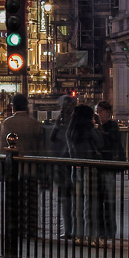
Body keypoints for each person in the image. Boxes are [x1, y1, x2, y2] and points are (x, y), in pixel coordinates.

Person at [0, 93, 43, 237]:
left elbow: (1, 149)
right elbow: (40, 148)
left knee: (14, 199)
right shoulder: (35, 124)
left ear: (13, 106)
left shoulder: (7, 123)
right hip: (31, 166)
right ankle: (31, 229)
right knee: (31, 200)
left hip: (13, 168)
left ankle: (15, 228)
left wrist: (1, 169)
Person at [66, 104, 104, 245]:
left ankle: (78, 236)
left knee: (77, 203)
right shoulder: (89, 129)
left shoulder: (70, 132)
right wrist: (95, 128)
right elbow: (100, 143)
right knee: (90, 203)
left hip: (75, 168)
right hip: (90, 167)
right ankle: (92, 236)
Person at [50, 95, 76, 238]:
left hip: (64, 161)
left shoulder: (65, 122)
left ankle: (69, 229)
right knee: (71, 198)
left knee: (66, 198)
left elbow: (53, 138)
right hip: (69, 162)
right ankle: (71, 229)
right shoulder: (71, 120)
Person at [96, 101, 122, 242]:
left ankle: (110, 230)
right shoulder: (100, 127)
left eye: (100, 111)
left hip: (108, 165)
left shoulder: (111, 126)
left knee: (108, 200)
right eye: (98, 112)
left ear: (107, 112)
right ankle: (102, 230)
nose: (99, 114)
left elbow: (111, 144)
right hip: (101, 166)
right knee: (100, 200)